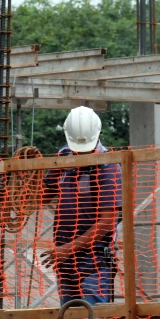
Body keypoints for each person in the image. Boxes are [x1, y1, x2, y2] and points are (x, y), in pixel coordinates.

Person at [40, 106, 122, 306]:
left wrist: (67, 249)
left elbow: (107, 223)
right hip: (66, 264)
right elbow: (42, 196)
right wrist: (27, 175)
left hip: (93, 265)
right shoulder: (64, 157)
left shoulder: (108, 166)